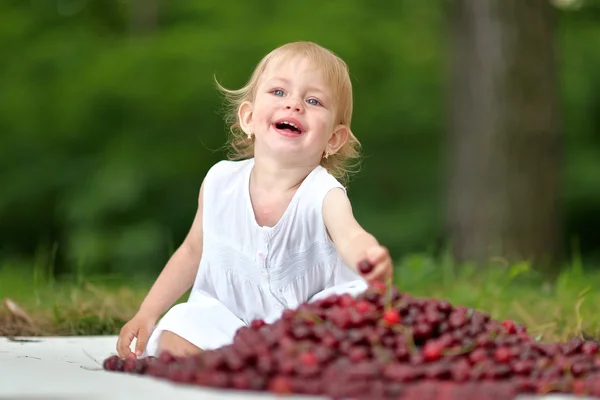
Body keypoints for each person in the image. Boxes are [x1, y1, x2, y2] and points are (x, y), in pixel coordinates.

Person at [116, 41, 394, 359]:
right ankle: (246, 364)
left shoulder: (322, 193)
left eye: (314, 100)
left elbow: (350, 235)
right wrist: (147, 312)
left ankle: (278, 364)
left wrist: (369, 256)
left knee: (351, 315)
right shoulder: (220, 183)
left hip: (306, 325)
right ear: (248, 118)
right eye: (279, 92)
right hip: (231, 320)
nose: (294, 105)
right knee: (177, 330)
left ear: (333, 138)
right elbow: (193, 250)